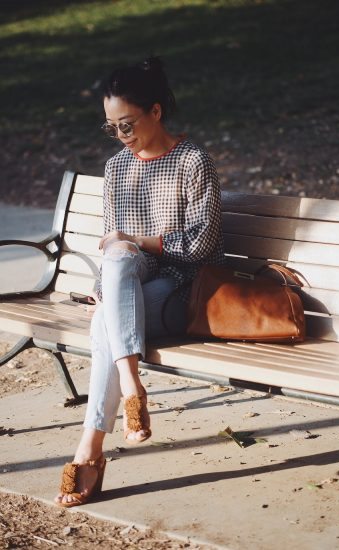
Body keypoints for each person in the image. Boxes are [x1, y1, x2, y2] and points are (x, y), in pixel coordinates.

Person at [54, 56, 225, 507]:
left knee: (105, 321)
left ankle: (90, 450)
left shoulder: (193, 162)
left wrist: (137, 242)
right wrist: (105, 287)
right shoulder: (116, 169)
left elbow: (202, 245)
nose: (121, 135)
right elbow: (112, 248)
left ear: (155, 111)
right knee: (117, 259)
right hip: (131, 284)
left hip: (183, 289)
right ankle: (132, 391)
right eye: (112, 127)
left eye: (127, 123)